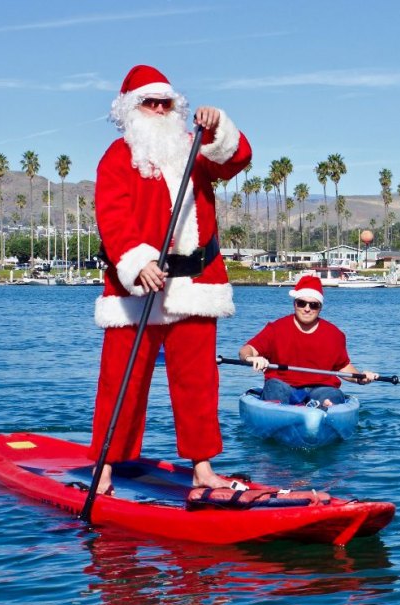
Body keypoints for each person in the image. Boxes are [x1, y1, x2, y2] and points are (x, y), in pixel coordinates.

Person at [89, 64, 252, 495]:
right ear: (131, 109)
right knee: (122, 382)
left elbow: (237, 159)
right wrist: (135, 261)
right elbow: (112, 216)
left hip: (196, 286)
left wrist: (219, 127)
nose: (159, 109)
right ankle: (104, 467)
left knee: (198, 383)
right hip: (137, 288)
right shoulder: (117, 158)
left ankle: (203, 470)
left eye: (166, 102)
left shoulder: (192, 148)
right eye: (150, 102)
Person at [239, 275, 378, 408]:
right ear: (294, 304)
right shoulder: (275, 329)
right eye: (302, 303)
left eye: (313, 305)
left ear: (320, 308)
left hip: (321, 388)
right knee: (273, 387)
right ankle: (283, 411)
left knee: (334, 395)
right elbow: (246, 350)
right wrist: (250, 358)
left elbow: (342, 367)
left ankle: (320, 409)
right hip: (282, 385)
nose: (307, 309)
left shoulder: (335, 335)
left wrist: (361, 378)